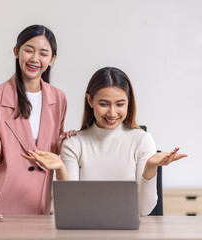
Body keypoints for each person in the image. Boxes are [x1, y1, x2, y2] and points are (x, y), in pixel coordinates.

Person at [22, 67, 188, 216]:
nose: (112, 113)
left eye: (120, 104)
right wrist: (60, 167)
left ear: (128, 103)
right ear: (90, 100)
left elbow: (144, 210)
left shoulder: (142, 140)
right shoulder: (74, 143)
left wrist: (150, 168)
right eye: (104, 104)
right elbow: (69, 208)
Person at [0, 25, 74, 215]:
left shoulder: (59, 98)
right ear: (16, 51)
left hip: (36, 201)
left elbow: (49, 149)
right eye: (29, 50)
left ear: (52, 59)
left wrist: (65, 141)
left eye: (43, 53)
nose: (34, 58)